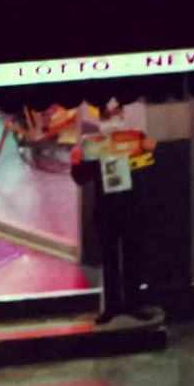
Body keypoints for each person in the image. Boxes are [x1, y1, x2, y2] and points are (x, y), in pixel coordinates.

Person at [71, 130, 157, 324]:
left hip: (132, 205)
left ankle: (134, 303)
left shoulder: (135, 138)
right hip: (106, 209)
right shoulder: (93, 144)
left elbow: (148, 166)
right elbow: (82, 177)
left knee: (133, 257)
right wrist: (76, 162)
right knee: (109, 259)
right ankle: (112, 306)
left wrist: (149, 151)